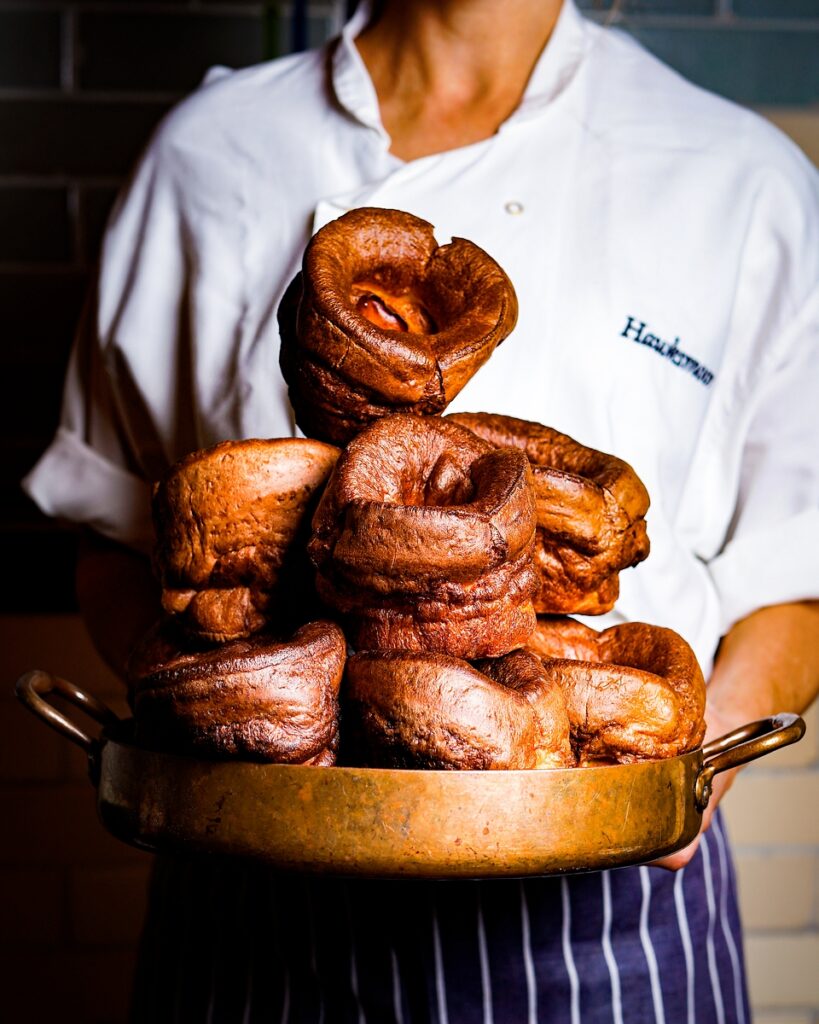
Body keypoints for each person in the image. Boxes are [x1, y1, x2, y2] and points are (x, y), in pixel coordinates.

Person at [23, 0, 819, 1020]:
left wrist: (681, 784)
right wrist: (207, 708)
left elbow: (795, 574)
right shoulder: (208, 155)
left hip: (611, 921)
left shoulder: (737, 180)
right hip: (255, 900)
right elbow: (110, 536)